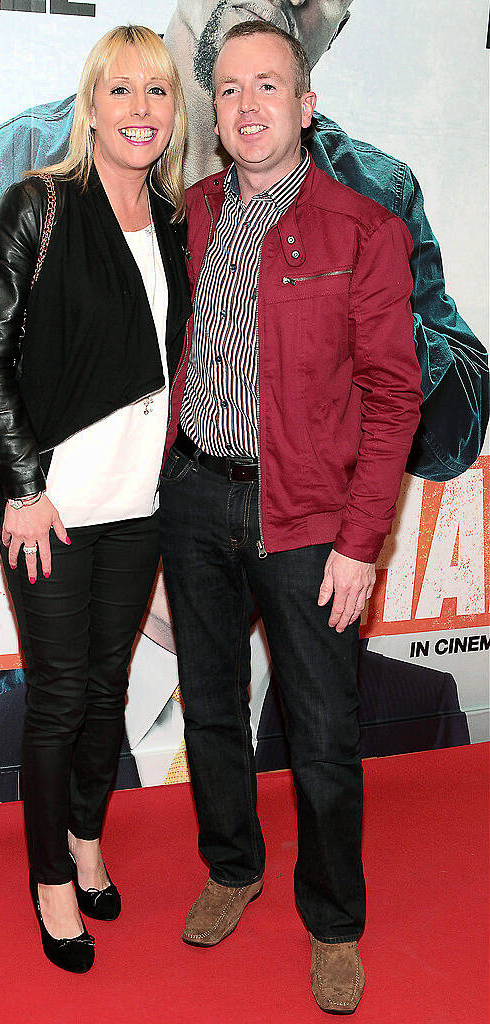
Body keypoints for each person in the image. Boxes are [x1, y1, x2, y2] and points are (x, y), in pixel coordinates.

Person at [0, 0, 486, 524]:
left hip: (283, 524)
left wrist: (358, 323)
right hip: (82, 518)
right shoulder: (19, 165)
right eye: (231, 88)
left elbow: (460, 416)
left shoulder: (373, 196)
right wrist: (9, 367)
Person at [159, 20, 422, 1014]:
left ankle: (336, 921)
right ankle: (232, 865)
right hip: (193, 494)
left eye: (268, 85)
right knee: (213, 704)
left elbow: (397, 395)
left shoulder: (364, 228)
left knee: (321, 727)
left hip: (309, 513)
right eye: (228, 91)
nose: (247, 105)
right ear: (214, 115)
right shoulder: (192, 210)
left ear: (305, 105)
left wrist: (363, 541)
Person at [0, 24, 190, 973]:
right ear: (90, 104)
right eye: (121, 90)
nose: (140, 109)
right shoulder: (37, 205)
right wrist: (19, 489)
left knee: (103, 693)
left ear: (175, 114)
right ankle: (52, 879)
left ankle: (89, 838)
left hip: (139, 508)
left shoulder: (180, 224)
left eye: (159, 93)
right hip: (47, 510)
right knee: (58, 701)